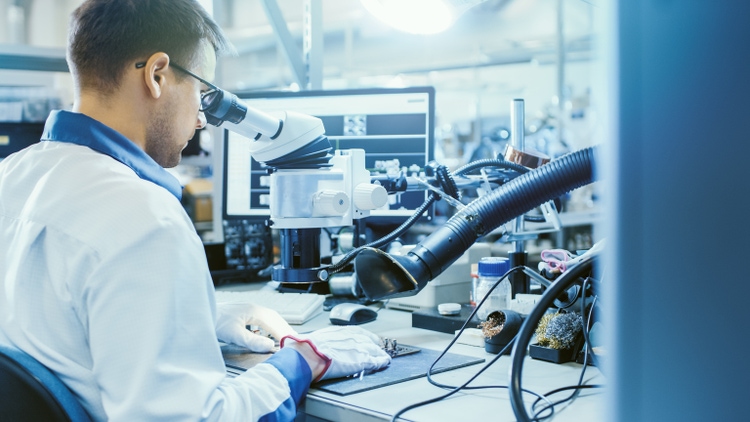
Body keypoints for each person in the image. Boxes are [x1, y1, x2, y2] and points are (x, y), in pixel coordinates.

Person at [0, 1, 390, 420]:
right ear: (156, 75)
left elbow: (57, 323)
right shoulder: (144, 219)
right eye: (202, 93)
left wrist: (205, 317)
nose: (202, 119)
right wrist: (302, 360)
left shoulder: (13, 174)